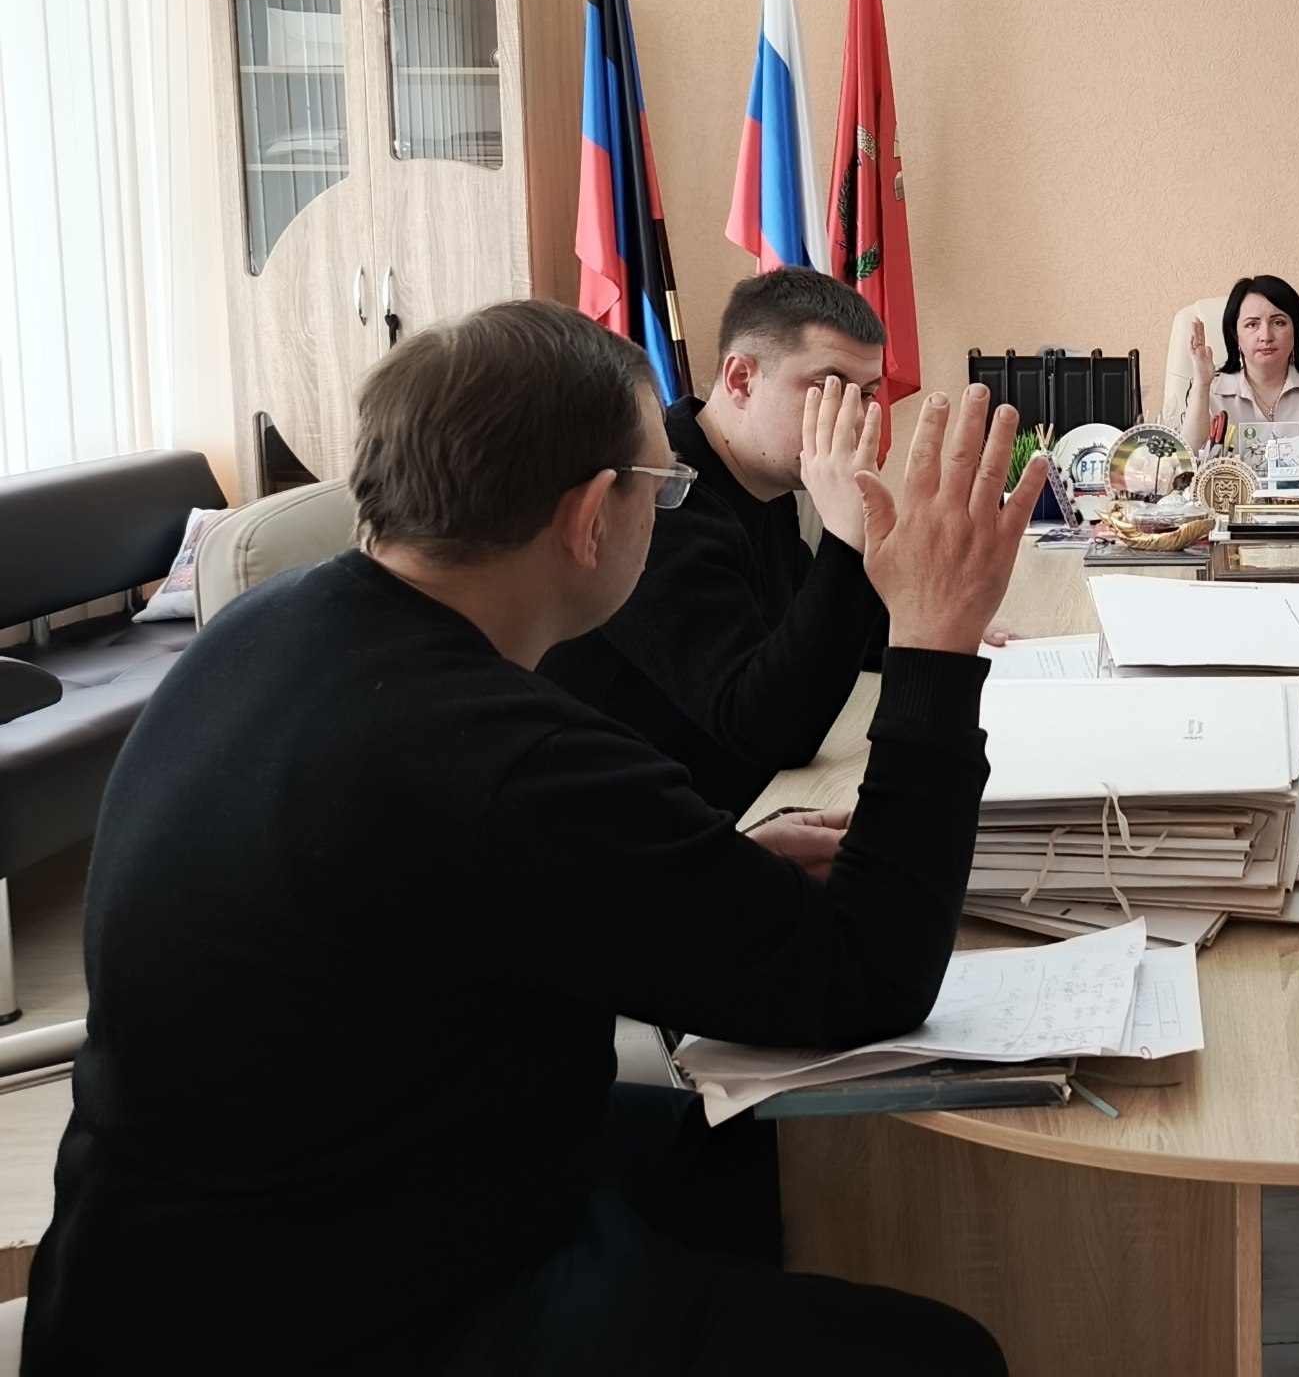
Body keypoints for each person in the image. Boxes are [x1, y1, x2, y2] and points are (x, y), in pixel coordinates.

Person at [25, 302, 1035, 1373]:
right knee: (944, 1355)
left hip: (164, 1264)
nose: (669, 507)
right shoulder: (510, 761)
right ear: (593, 514)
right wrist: (936, 640)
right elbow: (872, 974)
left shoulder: (258, 632)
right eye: (665, 488)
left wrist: (712, 866)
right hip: (344, 1320)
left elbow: (475, 886)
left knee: (763, 1154)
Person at [542, 267, 891, 823]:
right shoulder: (656, 500)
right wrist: (847, 538)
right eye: (828, 388)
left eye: (867, 395)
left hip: (716, 810)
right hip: (614, 831)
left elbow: (817, 627)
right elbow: (771, 732)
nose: (852, 417)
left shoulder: (763, 485)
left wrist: (929, 617)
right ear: (741, 380)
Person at [1174, 273, 1299, 459]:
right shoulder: (1211, 388)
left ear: (1295, 330)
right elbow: (1185, 459)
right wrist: (1202, 384)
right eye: (1252, 324)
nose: (1266, 336)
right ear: (1236, 334)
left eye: (1278, 322)